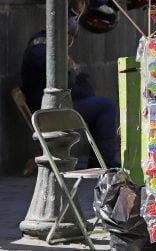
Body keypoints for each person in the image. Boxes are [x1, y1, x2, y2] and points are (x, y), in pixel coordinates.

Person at [21, 16, 120, 167]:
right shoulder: (42, 52)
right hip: (49, 110)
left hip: (52, 104)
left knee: (100, 105)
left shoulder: (41, 47)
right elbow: (65, 86)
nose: (71, 40)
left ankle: (100, 160)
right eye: (71, 35)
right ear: (63, 33)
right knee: (106, 105)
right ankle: (104, 161)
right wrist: (87, 92)